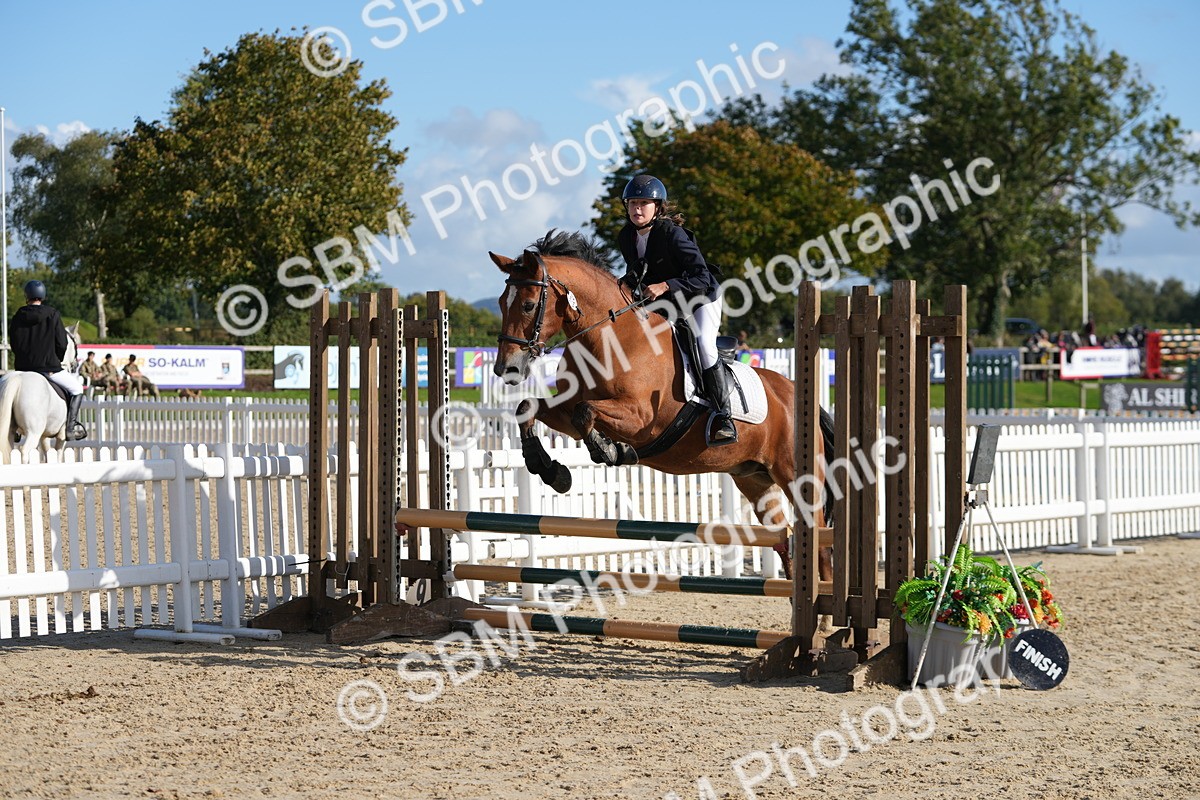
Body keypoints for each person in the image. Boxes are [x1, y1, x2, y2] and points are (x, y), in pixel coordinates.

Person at [616, 174, 735, 444]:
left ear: (657, 207)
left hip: (700, 297)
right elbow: (635, 274)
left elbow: (701, 276)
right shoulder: (627, 237)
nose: (637, 209)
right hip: (666, 301)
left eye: (644, 203)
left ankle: (722, 416)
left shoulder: (671, 233)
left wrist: (666, 285)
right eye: (633, 202)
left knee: (704, 344)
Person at [8, 280, 87, 440]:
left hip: (23, 369)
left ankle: (12, 426)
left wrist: (23, 361)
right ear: (42, 296)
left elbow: (14, 343)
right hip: (48, 367)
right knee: (77, 388)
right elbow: (62, 343)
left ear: (27, 296)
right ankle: (70, 428)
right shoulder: (52, 314)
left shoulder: (17, 316)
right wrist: (56, 360)